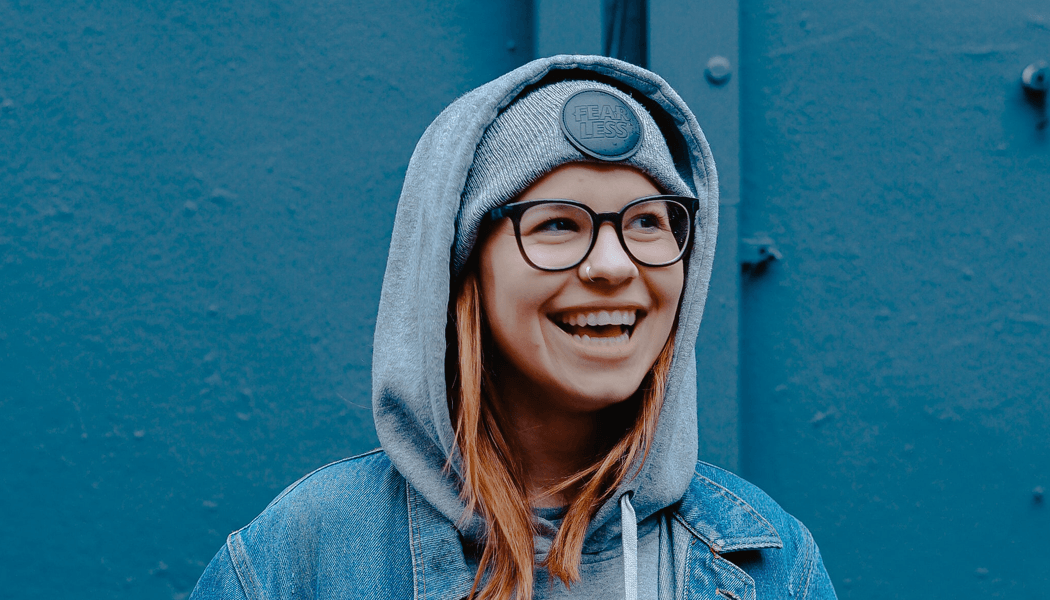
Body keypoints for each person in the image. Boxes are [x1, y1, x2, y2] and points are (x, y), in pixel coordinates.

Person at [187, 56, 836, 600]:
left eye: (647, 221)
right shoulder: (306, 558)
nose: (614, 266)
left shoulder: (768, 563)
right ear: (463, 268)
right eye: (557, 223)